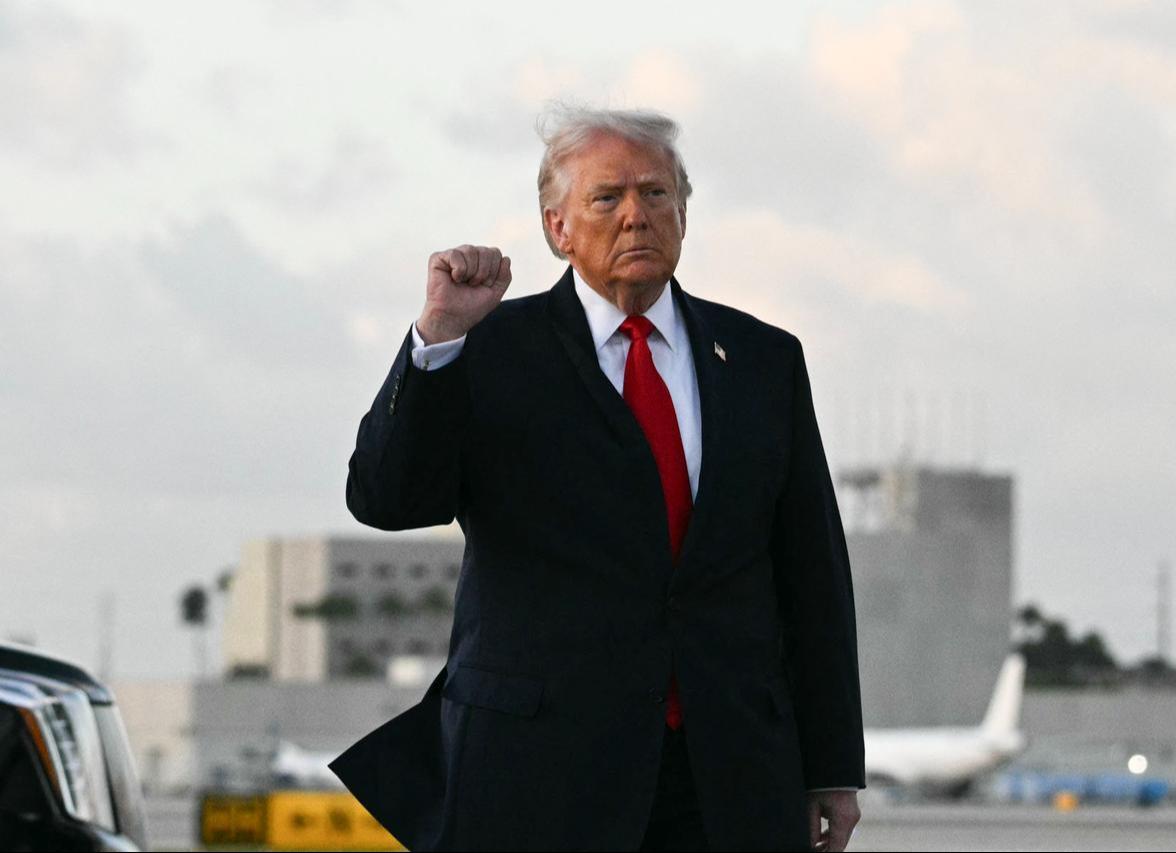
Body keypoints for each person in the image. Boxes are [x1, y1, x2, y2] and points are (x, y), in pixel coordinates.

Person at [329, 106, 864, 852]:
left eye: (656, 194)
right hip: (538, 772)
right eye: (606, 198)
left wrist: (833, 763)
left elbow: (812, 574)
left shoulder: (763, 359)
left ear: (685, 213)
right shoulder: (486, 351)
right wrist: (437, 342)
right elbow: (386, 498)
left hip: (728, 773)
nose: (636, 216)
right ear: (557, 228)